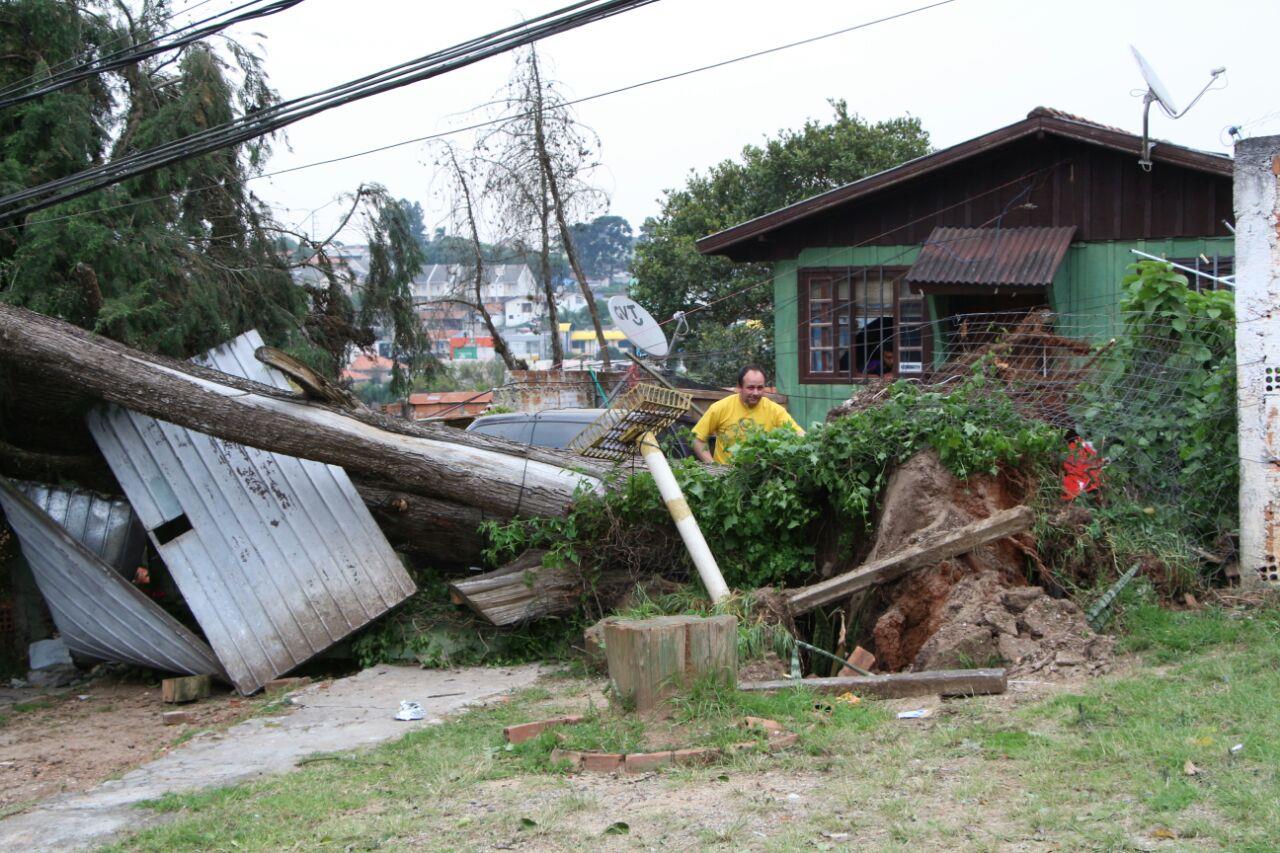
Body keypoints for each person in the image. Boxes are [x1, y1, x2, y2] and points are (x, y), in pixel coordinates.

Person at [691, 365, 804, 464]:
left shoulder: (775, 410)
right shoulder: (721, 407)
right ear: (739, 387)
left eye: (760, 388)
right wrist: (712, 466)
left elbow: (798, 433)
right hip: (725, 477)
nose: (755, 393)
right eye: (750, 387)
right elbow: (697, 439)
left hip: (760, 476)